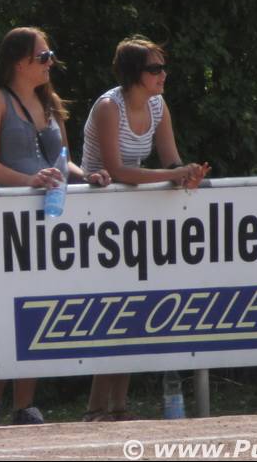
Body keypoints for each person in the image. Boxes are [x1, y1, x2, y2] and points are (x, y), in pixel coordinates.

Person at [0, 27, 111, 427]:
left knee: (34, 307)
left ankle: (25, 404)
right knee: (1, 309)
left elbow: (62, 160)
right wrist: (28, 181)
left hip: (46, 219)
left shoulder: (49, 101)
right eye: (44, 56)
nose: (51, 62)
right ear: (20, 62)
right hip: (3, 218)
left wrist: (87, 176)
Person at [80, 35, 210, 422]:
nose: (162, 75)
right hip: (94, 215)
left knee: (129, 308)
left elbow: (170, 161)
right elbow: (117, 170)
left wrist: (185, 175)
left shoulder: (157, 105)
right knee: (110, 310)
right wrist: (173, 175)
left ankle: (117, 406)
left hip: (129, 214)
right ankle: (95, 408)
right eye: (154, 69)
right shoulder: (109, 107)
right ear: (133, 74)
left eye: (163, 67)